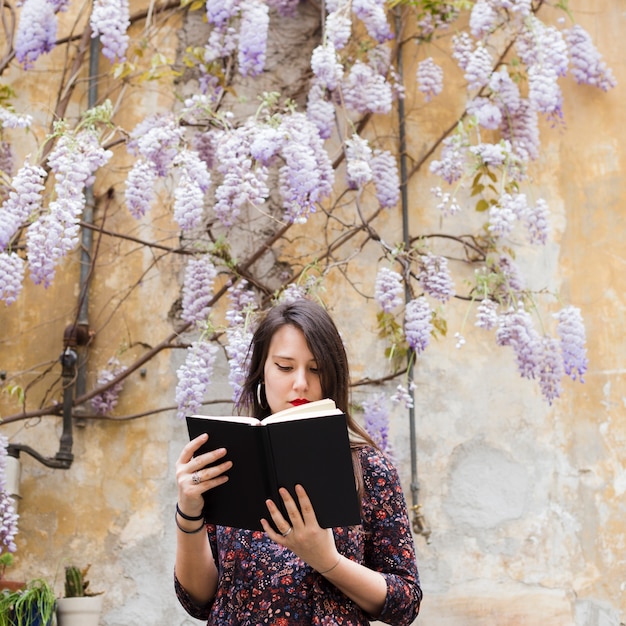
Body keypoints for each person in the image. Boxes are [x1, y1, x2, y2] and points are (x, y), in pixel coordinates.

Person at [174, 298, 422, 625]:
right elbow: (199, 601)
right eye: (285, 367)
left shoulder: (370, 467)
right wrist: (188, 511)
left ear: (333, 375)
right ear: (261, 372)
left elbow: (405, 603)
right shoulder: (226, 458)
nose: (301, 383)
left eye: (316, 369)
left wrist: (328, 560)